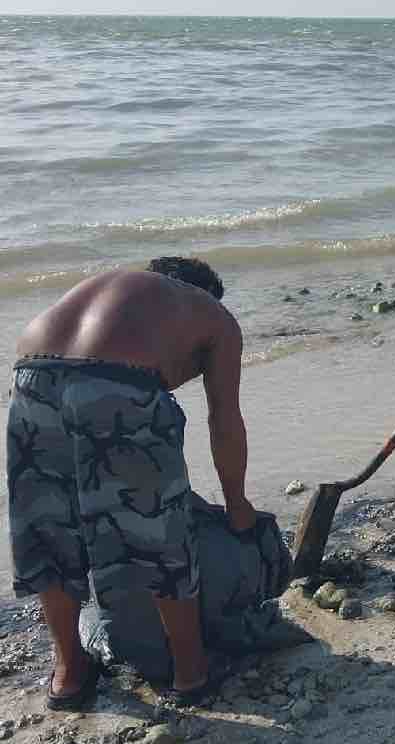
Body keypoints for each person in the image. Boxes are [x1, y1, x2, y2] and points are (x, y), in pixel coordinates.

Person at [7, 257, 255, 709]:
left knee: (49, 531)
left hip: (31, 378)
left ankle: (69, 676)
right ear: (202, 291)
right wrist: (237, 505)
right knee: (162, 535)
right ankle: (191, 674)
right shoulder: (213, 314)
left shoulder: (110, 285)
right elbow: (224, 421)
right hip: (116, 385)